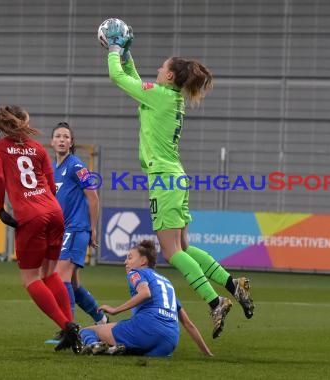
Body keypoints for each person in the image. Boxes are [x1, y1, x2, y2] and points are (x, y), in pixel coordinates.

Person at [100, 19, 254, 338]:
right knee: (184, 245)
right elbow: (131, 77)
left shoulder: (159, 96)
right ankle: (232, 284)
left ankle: (215, 303)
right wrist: (127, 55)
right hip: (176, 177)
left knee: (171, 252)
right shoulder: (169, 97)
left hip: (164, 179)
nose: (156, 69)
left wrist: (115, 49)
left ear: (169, 75)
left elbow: (117, 77)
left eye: (161, 66)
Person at [0, 105, 81, 353]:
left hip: (31, 217)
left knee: (31, 278)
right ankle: (70, 325)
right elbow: (51, 184)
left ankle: (66, 326)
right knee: (50, 274)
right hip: (54, 212)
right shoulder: (38, 148)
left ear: (0, 125)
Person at [79, 240, 213, 357]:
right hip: (169, 342)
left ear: (143, 261)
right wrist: (207, 353)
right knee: (133, 350)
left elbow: (145, 293)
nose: (126, 262)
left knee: (88, 331)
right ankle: (115, 350)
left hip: (147, 329)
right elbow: (188, 324)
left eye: (130, 258)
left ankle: (94, 345)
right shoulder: (166, 282)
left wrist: (115, 310)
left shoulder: (136, 272)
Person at [47, 122, 107, 341]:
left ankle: (68, 331)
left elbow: (93, 197)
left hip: (76, 228)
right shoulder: (53, 169)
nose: (62, 140)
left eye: (66, 137)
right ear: (52, 141)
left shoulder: (76, 165)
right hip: (64, 230)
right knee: (73, 284)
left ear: (71, 143)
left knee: (60, 278)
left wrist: (92, 229)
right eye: (58, 136)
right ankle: (101, 320)